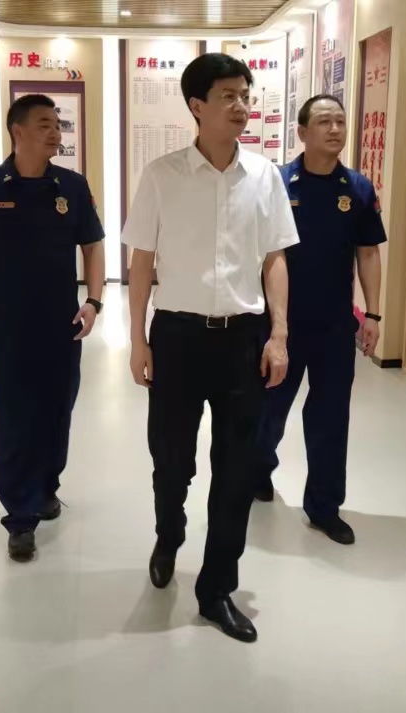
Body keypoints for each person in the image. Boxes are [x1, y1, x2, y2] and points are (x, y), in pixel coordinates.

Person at [124, 53, 298, 643]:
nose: (241, 105)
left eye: (245, 94)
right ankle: (168, 534)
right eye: (228, 95)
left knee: (237, 468)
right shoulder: (162, 175)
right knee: (172, 460)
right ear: (197, 106)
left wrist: (278, 335)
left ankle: (217, 587)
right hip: (177, 337)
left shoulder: (265, 176)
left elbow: (275, 259)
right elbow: (141, 263)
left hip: (243, 340)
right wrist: (137, 340)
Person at [0, 94, 105, 563]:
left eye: (57, 124)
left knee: (58, 410)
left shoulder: (72, 186)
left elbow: (93, 245)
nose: (55, 132)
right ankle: (20, 518)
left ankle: (46, 486)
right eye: (44, 124)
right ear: (17, 131)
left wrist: (94, 300)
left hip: (62, 324)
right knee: (16, 416)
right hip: (10, 325)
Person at [254, 94, 386, 545]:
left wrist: (373, 313)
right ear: (302, 132)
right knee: (269, 408)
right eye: (324, 122)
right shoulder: (277, 183)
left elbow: (368, 253)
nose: (334, 129)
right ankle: (258, 469)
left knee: (331, 417)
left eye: (340, 122)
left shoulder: (358, 188)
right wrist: (273, 325)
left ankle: (325, 506)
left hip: (334, 325)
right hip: (279, 323)